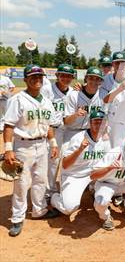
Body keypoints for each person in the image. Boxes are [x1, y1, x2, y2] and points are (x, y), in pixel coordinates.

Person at [4, 64, 60, 237]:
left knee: (40, 180)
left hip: (42, 145)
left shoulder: (46, 101)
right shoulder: (18, 99)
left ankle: (39, 210)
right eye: (33, 77)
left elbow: (49, 125)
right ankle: (17, 218)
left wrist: (53, 143)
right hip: (23, 146)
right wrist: (8, 149)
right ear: (25, 79)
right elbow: (9, 125)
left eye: (39, 76)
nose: (37, 79)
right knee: (21, 183)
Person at [51, 110, 111, 216]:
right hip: (74, 176)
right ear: (89, 123)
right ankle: (54, 198)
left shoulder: (105, 139)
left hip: (93, 175)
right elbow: (65, 164)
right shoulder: (78, 138)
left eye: (101, 122)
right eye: (95, 122)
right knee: (69, 208)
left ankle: (93, 189)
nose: (99, 125)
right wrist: (79, 150)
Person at [41, 64, 75, 197]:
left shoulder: (72, 91)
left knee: (68, 158)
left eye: (69, 76)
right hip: (51, 129)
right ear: (57, 75)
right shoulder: (47, 89)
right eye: (63, 75)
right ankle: (49, 191)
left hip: (67, 129)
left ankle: (64, 186)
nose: (66, 78)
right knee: (53, 161)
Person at [63, 67, 104, 143]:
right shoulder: (74, 95)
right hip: (71, 133)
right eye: (91, 78)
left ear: (101, 81)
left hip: (90, 134)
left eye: (97, 79)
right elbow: (66, 121)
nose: (94, 81)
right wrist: (75, 115)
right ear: (86, 78)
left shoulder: (102, 96)